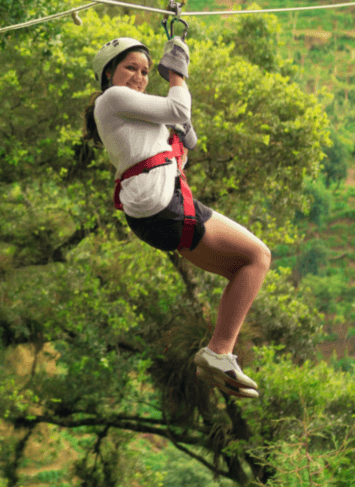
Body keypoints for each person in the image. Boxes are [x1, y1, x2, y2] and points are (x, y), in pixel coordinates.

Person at [83, 37, 271, 399]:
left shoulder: (130, 112)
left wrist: (177, 142)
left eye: (145, 71)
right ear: (109, 73)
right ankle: (218, 353)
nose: (139, 77)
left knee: (243, 269)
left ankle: (220, 353)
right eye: (130, 68)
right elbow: (177, 108)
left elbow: (166, 134)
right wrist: (177, 75)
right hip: (163, 209)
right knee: (258, 256)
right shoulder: (112, 98)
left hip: (155, 214)